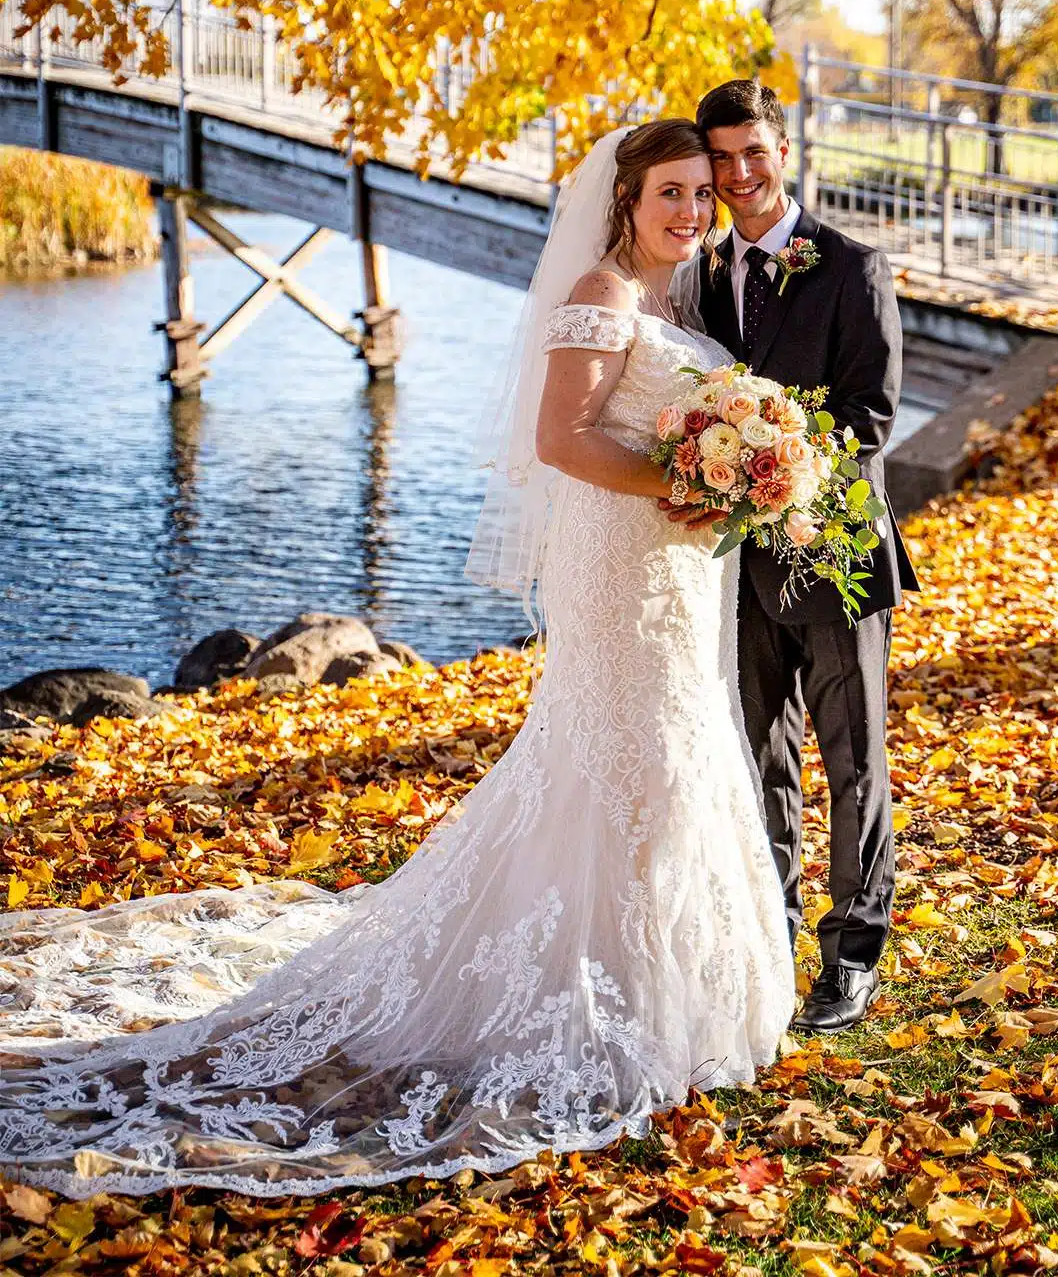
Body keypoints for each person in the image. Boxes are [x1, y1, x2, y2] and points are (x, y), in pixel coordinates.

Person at [0, 119, 793, 1200]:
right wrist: (689, 479)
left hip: (677, 565)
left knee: (670, 757)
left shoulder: (673, 303)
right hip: (626, 566)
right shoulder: (606, 296)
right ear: (626, 200)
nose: (693, 211)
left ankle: (665, 989)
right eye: (672, 192)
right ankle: (600, 998)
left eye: (703, 194)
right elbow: (560, 439)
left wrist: (729, 475)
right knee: (628, 756)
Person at [690, 79, 919, 1035]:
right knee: (759, 756)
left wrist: (782, 474)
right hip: (736, 564)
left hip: (834, 550)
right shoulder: (698, 275)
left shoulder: (853, 267)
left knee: (854, 759)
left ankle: (854, 954)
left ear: (786, 151)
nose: (740, 175)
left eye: (756, 153)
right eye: (722, 159)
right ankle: (770, 934)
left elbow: (871, 414)